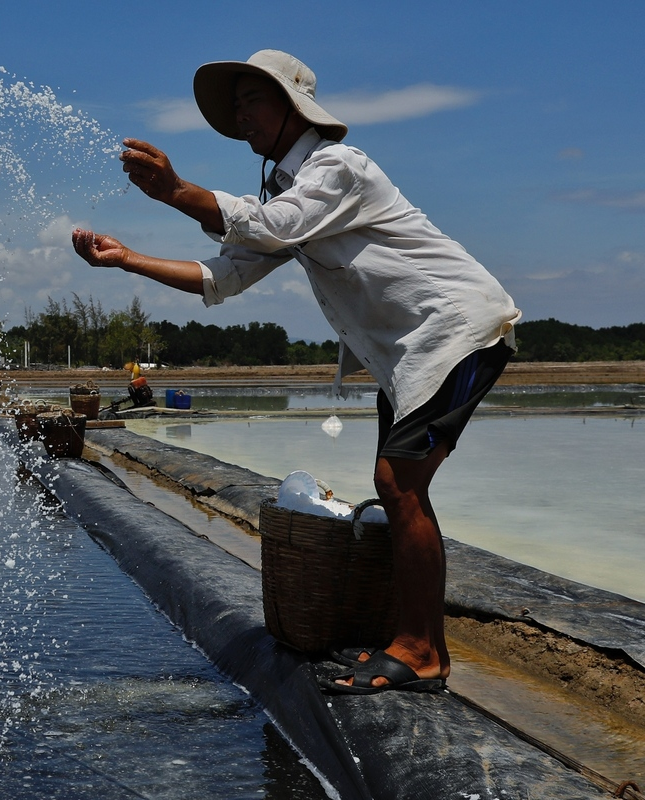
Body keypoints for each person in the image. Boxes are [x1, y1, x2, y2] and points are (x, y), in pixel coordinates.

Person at [72, 49, 521, 694]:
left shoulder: (337, 169)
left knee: (398, 483)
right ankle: (413, 639)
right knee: (399, 485)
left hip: (455, 329)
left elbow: (274, 226)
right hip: (408, 353)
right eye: (237, 104)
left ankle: (423, 651)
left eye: (253, 100)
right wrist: (127, 260)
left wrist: (176, 192)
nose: (240, 114)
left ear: (292, 106)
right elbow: (221, 276)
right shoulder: (288, 192)